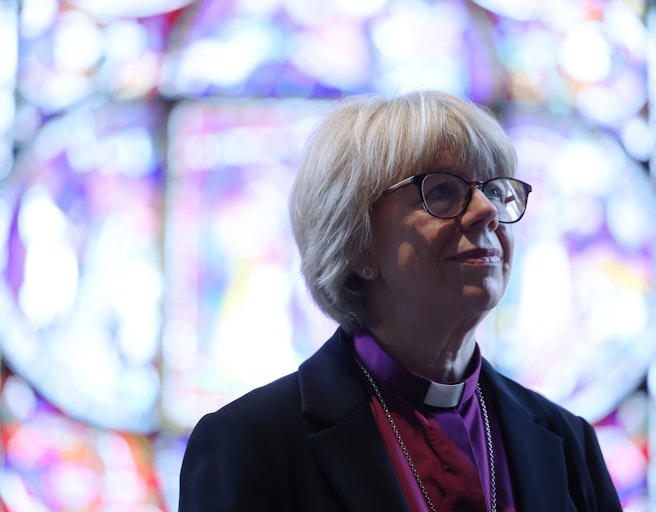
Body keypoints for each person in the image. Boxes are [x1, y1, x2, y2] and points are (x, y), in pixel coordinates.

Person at [178, 90, 622, 511]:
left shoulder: (566, 442)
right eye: (443, 191)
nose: (486, 211)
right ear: (357, 243)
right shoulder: (254, 443)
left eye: (493, 189)